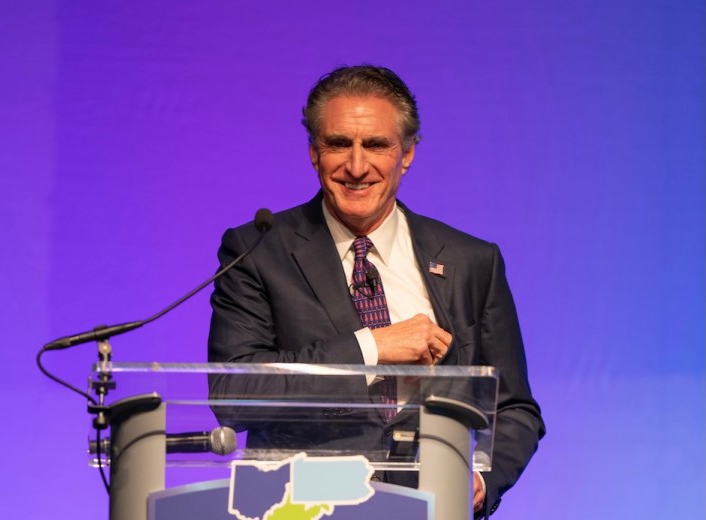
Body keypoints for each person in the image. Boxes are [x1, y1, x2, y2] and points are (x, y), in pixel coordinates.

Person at [208, 65, 545, 517]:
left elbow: (515, 408)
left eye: (377, 145)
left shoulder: (471, 261)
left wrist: (480, 480)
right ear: (313, 152)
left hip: (430, 506)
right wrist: (373, 346)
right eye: (338, 144)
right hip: (298, 506)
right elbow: (234, 394)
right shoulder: (258, 249)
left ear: (407, 154)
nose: (356, 166)